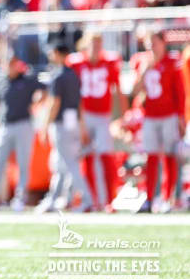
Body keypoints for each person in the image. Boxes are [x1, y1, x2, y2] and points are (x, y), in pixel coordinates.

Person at [0, 53, 47, 213]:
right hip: (5, 125)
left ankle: (20, 199)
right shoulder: (1, 80)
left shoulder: (27, 80)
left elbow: (44, 89)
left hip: (23, 124)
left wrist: (35, 104)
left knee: (23, 164)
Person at [67, 33, 126, 211]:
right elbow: (73, 95)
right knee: (85, 157)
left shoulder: (110, 62)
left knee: (106, 155)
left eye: (99, 43)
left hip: (103, 115)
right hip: (83, 115)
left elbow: (118, 90)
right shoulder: (75, 63)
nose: (96, 47)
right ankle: (90, 200)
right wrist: (79, 122)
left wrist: (122, 118)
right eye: (93, 43)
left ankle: (109, 200)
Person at [36, 43, 94, 213]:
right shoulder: (73, 75)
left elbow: (55, 103)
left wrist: (45, 126)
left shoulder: (59, 76)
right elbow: (79, 103)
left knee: (68, 162)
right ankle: (55, 198)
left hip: (61, 122)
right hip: (72, 121)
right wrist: (82, 126)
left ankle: (86, 198)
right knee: (61, 163)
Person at [131, 31, 185, 213]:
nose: (151, 47)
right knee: (152, 156)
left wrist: (181, 117)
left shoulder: (172, 61)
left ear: (163, 43)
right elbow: (134, 90)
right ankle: (150, 198)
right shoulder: (143, 61)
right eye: (149, 43)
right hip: (150, 116)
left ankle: (168, 198)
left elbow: (180, 92)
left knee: (170, 156)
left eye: (154, 42)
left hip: (169, 115)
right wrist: (144, 71)